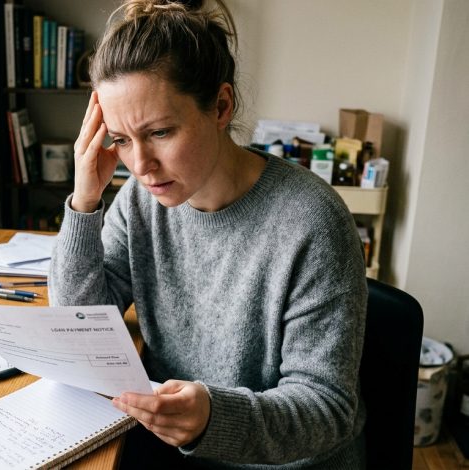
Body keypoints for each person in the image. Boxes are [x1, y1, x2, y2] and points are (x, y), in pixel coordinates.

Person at [48, 0, 368, 468]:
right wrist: (84, 203)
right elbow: (79, 333)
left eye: (159, 132)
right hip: (174, 449)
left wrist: (214, 418)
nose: (140, 166)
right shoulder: (143, 200)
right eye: (119, 139)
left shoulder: (313, 223)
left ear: (221, 106)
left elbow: (326, 408)